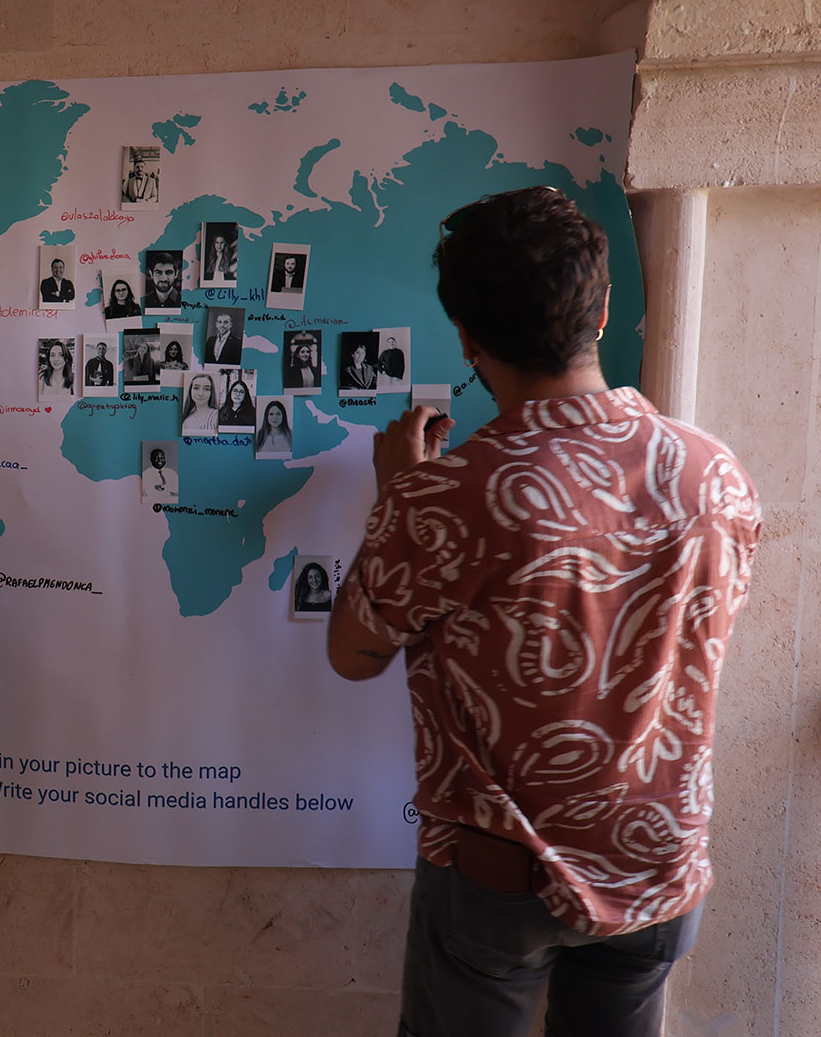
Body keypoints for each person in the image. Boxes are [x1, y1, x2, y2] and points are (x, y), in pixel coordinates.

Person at [326, 187, 761, 1037]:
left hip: (502, 880)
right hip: (659, 869)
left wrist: (398, 497)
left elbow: (353, 653)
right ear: (600, 312)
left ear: (467, 337)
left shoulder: (446, 496)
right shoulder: (716, 475)